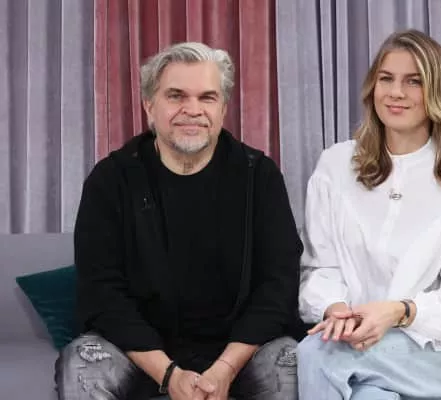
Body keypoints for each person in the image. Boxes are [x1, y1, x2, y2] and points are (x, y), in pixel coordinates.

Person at [55, 42, 303, 400]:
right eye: (176, 96)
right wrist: (169, 374)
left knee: (294, 362)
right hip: (140, 354)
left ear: (223, 108)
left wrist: (224, 369)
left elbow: (278, 286)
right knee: (81, 363)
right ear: (149, 105)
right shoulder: (111, 179)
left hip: (239, 353)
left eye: (207, 98)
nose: (193, 110)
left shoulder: (259, 176)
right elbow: (101, 293)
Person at [296, 29, 441, 400]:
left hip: (439, 353)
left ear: (436, 93)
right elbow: (320, 266)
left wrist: (399, 312)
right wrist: (337, 310)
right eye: (386, 78)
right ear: (373, 87)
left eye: (414, 81)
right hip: (354, 342)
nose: (395, 92)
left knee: (316, 354)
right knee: (368, 395)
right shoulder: (336, 166)